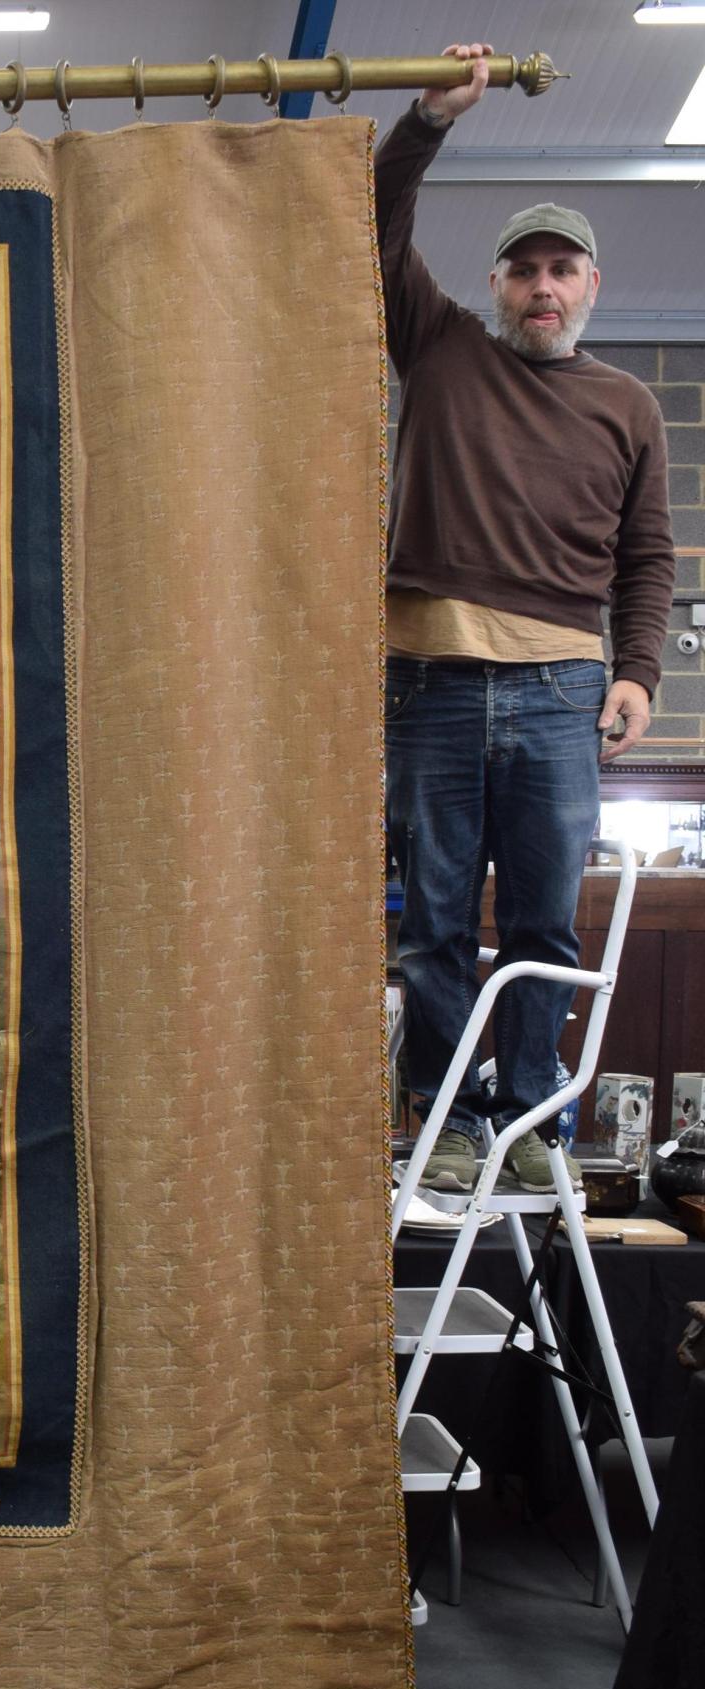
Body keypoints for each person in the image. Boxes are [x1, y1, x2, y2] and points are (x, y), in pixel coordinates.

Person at [377, 44, 675, 1193]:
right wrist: (427, 119)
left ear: (590, 285)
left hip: (561, 692)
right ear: (495, 283)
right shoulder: (439, 345)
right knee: (433, 925)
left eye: (561, 269)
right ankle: (453, 1121)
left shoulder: (627, 405)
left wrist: (636, 671)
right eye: (522, 270)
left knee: (547, 925)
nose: (541, 287)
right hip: (432, 683)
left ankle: (534, 1120)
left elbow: (646, 554)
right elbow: (371, 224)